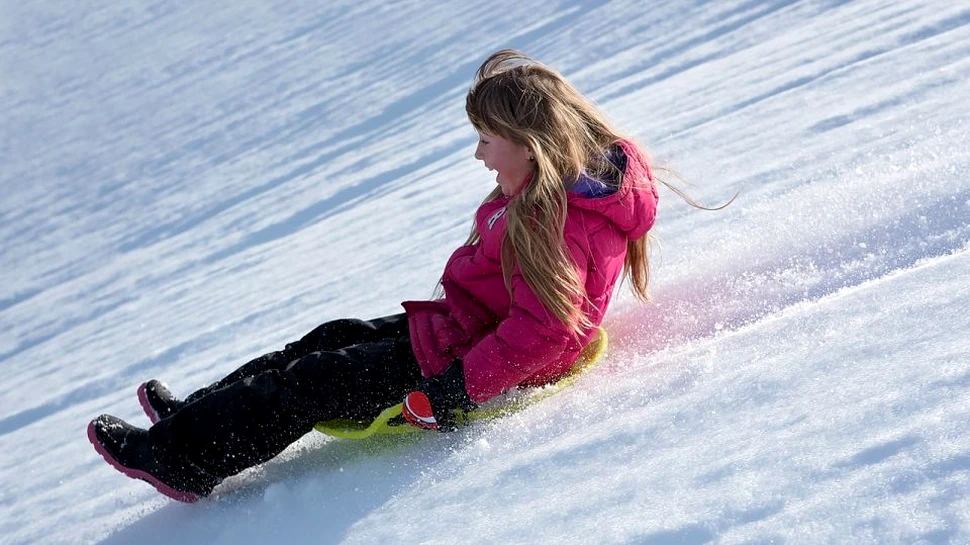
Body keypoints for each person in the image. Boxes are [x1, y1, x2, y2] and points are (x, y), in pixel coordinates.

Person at [88, 49, 660, 503]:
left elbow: (542, 334)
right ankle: (195, 414)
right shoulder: (558, 195)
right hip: (464, 330)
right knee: (327, 338)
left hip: (464, 362)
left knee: (310, 382)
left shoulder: (554, 222)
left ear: (533, 147)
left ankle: (179, 460)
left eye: (487, 140)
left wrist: (454, 391)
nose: (479, 156)